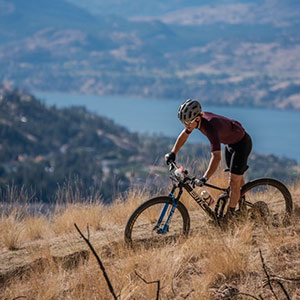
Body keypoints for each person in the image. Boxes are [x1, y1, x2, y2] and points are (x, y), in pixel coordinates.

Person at [165, 99, 252, 217]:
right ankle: (242, 206)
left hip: (241, 144)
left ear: (197, 118)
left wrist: (205, 178)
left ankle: (230, 217)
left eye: (188, 122)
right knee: (235, 176)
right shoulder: (195, 121)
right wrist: (173, 153)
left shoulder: (210, 127)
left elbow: (216, 157)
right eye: (184, 122)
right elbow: (184, 135)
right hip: (230, 144)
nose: (187, 125)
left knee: (234, 181)